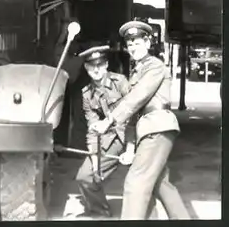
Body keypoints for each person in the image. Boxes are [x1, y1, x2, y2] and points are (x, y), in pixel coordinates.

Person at [90, 21, 191, 220]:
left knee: (135, 184)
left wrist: (108, 121)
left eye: (137, 42)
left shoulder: (155, 66)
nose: (132, 47)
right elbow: (134, 115)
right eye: (129, 44)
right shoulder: (137, 71)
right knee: (160, 184)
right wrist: (129, 149)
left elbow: (137, 99)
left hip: (157, 127)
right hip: (148, 129)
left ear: (148, 42)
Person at [74, 45, 135, 218]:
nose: (96, 69)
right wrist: (95, 162)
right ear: (86, 68)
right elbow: (92, 129)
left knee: (149, 180)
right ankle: (100, 212)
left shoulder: (120, 82)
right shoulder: (86, 94)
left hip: (132, 136)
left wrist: (131, 149)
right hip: (110, 140)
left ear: (106, 65)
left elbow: (134, 116)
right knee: (86, 176)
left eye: (100, 64)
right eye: (91, 66)